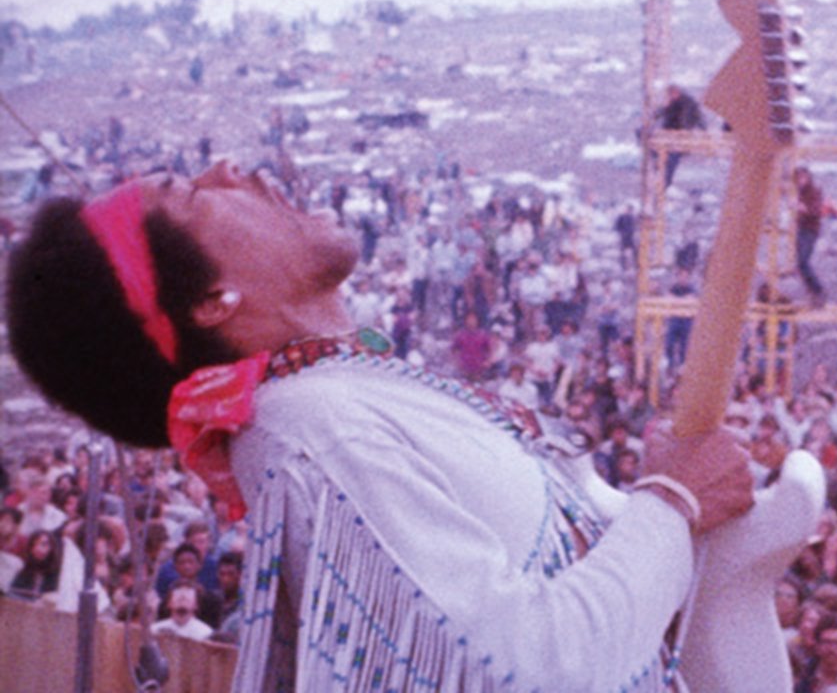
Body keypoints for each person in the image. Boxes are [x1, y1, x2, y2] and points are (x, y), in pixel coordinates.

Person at [6, 163, 755, 691]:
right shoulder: (316, 436)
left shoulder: (335, 400)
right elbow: (522, 672)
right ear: (208, 302)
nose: (232, 169)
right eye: (194, 193)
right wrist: (670, 503)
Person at [793, 166, 837, 306]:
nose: (801, 181)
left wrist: (802, 208)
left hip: (810, 229)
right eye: (798, 178)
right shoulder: (799, 192)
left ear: (808, 178)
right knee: (800, 264)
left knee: (803, 262)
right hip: (802, 228)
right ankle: (813, 293)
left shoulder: (814, 192)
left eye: (803, 178)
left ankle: (818, 291)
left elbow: (816, 211)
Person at [654, 84, 705, 188]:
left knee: (672, 158)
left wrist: (703, 130)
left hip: (680, 137)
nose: (670, 97)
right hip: (674, 136)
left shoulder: (686, 103)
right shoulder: (674, 103)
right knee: (668, 158)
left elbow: (696, 116)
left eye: (671, 94)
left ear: (676, 92)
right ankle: (663, 179)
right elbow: (661, 113)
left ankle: (665, 181)